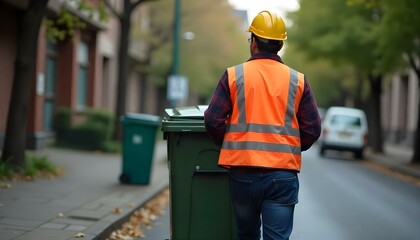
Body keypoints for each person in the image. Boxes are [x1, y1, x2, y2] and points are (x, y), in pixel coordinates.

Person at [204, 10, 322, 240]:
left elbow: (213, 120)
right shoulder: (297, 80)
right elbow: (313, 128)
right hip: (282, 175)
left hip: (244, 173)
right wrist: (290, 147)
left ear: (254, 43)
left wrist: (230, 143)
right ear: (280, 44)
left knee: (246, 235)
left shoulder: (234, 75)